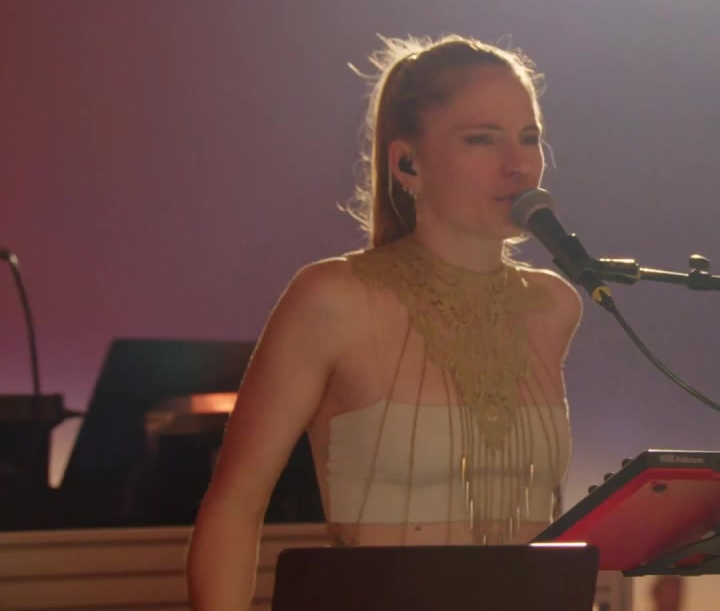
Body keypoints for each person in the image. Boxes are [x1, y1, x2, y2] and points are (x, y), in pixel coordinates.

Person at [186, 34, 584, 610]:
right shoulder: (332, 298)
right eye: (482, 138)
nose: (517, 165)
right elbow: (235, 503)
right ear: (407, 163)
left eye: (529, 138)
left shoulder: (554, 306)